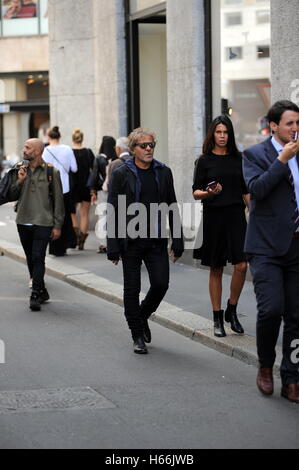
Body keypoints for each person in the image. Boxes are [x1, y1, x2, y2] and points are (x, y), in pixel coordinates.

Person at [107, 127, 184, 354]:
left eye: (152, 145)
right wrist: (112, 246)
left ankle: (141, 315)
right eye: (144, 146)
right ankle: (137, 334)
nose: (149, 149)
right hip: (130, 241)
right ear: (133, 149)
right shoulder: (122, 173)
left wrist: (177, 239)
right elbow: (113, 210)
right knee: (132, 289)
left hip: (156, 240)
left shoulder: (163, 172)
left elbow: (172, 205)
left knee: (161, 284)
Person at [243, 100, 299, 404]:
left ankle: (292, 376)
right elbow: (258, 191)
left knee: (296, 316)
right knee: (271, 309)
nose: (295, 129)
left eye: (298, 123)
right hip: (265, 247)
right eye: (289, 123)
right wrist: (282, 160)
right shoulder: (254, 154)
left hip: (296, 244)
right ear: (274, 125)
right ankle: (265, 365)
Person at [193, 115, 250, 338]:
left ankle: (232, 309)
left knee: (242, 265)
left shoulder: (239, 158)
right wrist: (209, 193)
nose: (222, 136)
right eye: (218, 132)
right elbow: (195, 191)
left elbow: (246, 191)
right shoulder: (204, 160)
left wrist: (255, 215)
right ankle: (217, 317)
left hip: (236, 216)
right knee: (216, 268)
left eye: (226, 132)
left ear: (230, 134)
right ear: (212, 134)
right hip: (214, 217)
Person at [7, 138, 64, 311]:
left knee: (38, 256)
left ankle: (36, 293)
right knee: (31, 258)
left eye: (28, 148)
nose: (24, 150)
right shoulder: (19, 169)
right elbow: (11, 194)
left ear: (37, 151)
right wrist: (20, 180)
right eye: (24, 147)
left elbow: (59, 200)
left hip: (43, 221)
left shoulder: (51, 172)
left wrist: (57, 225)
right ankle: (43, 290)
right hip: (23, 220)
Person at [42, 126, 78, 256]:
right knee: (66, 216)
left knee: (53, 217)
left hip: (50, 187)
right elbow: (74, 168)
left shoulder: (45, 151)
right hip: (65, 187)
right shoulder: (67, 149)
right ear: (59, 137)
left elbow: (43, 169)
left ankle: (55, 247)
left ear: (49, 137)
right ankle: (67, 243)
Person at [91, 135, 117, 254]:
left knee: (102, 217)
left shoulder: (99, 158)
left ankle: (103, 244)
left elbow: (95, 175)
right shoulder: (116, 158)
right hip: (114, 190)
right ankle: (114, 242)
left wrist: (93, 191)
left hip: (102, 191)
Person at [70, 128, 95, 250]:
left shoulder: (69, 152)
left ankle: (75, 237)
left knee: (72, 213)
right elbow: (94, 171)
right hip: (86, 186)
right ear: (82, 138)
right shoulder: (89, 152)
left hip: (73, 186)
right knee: (85, 214)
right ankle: (82, 242)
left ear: (73, 139)